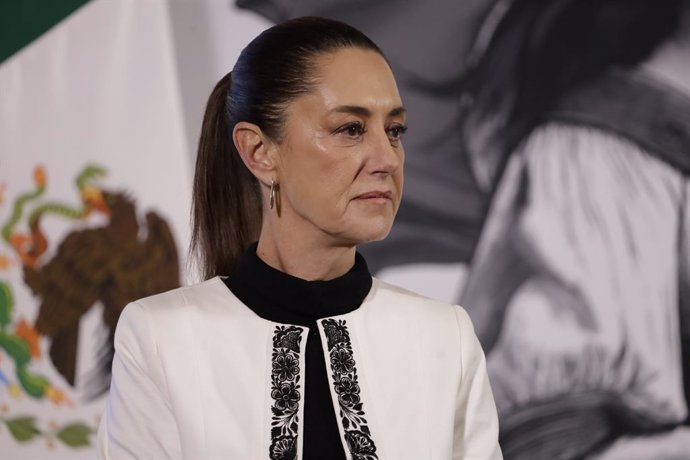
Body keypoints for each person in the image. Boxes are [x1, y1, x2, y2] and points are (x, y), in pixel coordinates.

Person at [96, 16, 501, 460]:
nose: (387, 158)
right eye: (351, 128)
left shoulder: (446, 337)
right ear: (259, 152)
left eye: (395, 130)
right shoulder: (159, 338)